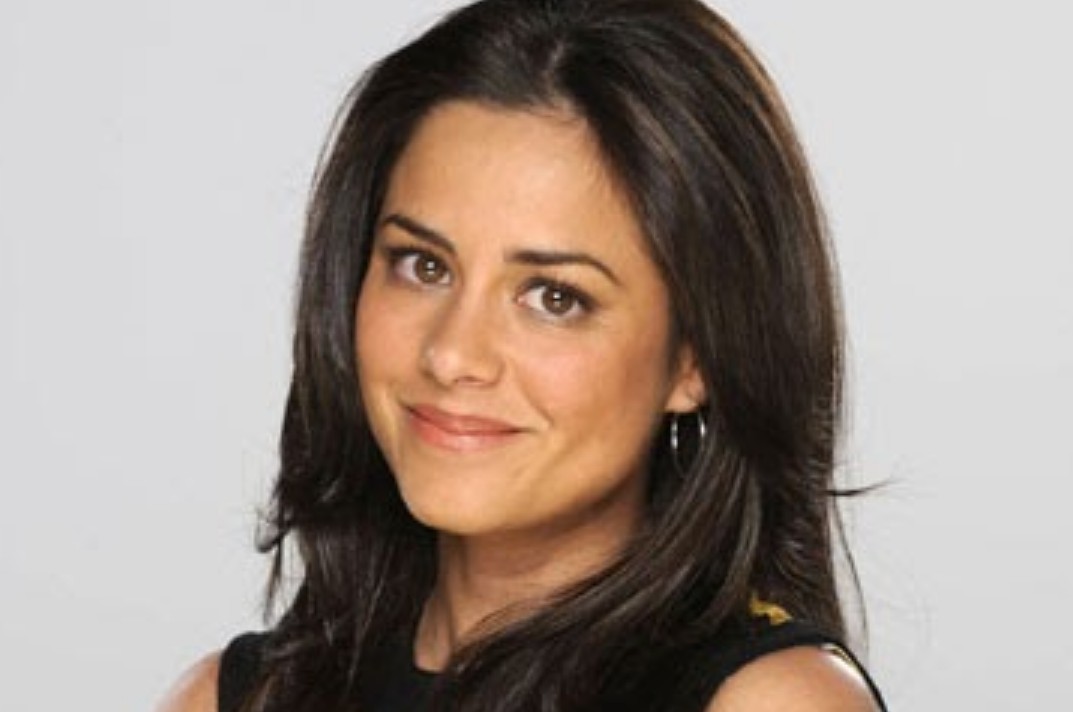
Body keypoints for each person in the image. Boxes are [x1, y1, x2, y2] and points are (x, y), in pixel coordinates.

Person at [158, 0, 887, 709]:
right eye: (423, 266)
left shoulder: (772, 702)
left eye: (553, 297)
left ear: (695, 359)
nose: (452, 354)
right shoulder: (236, 698)